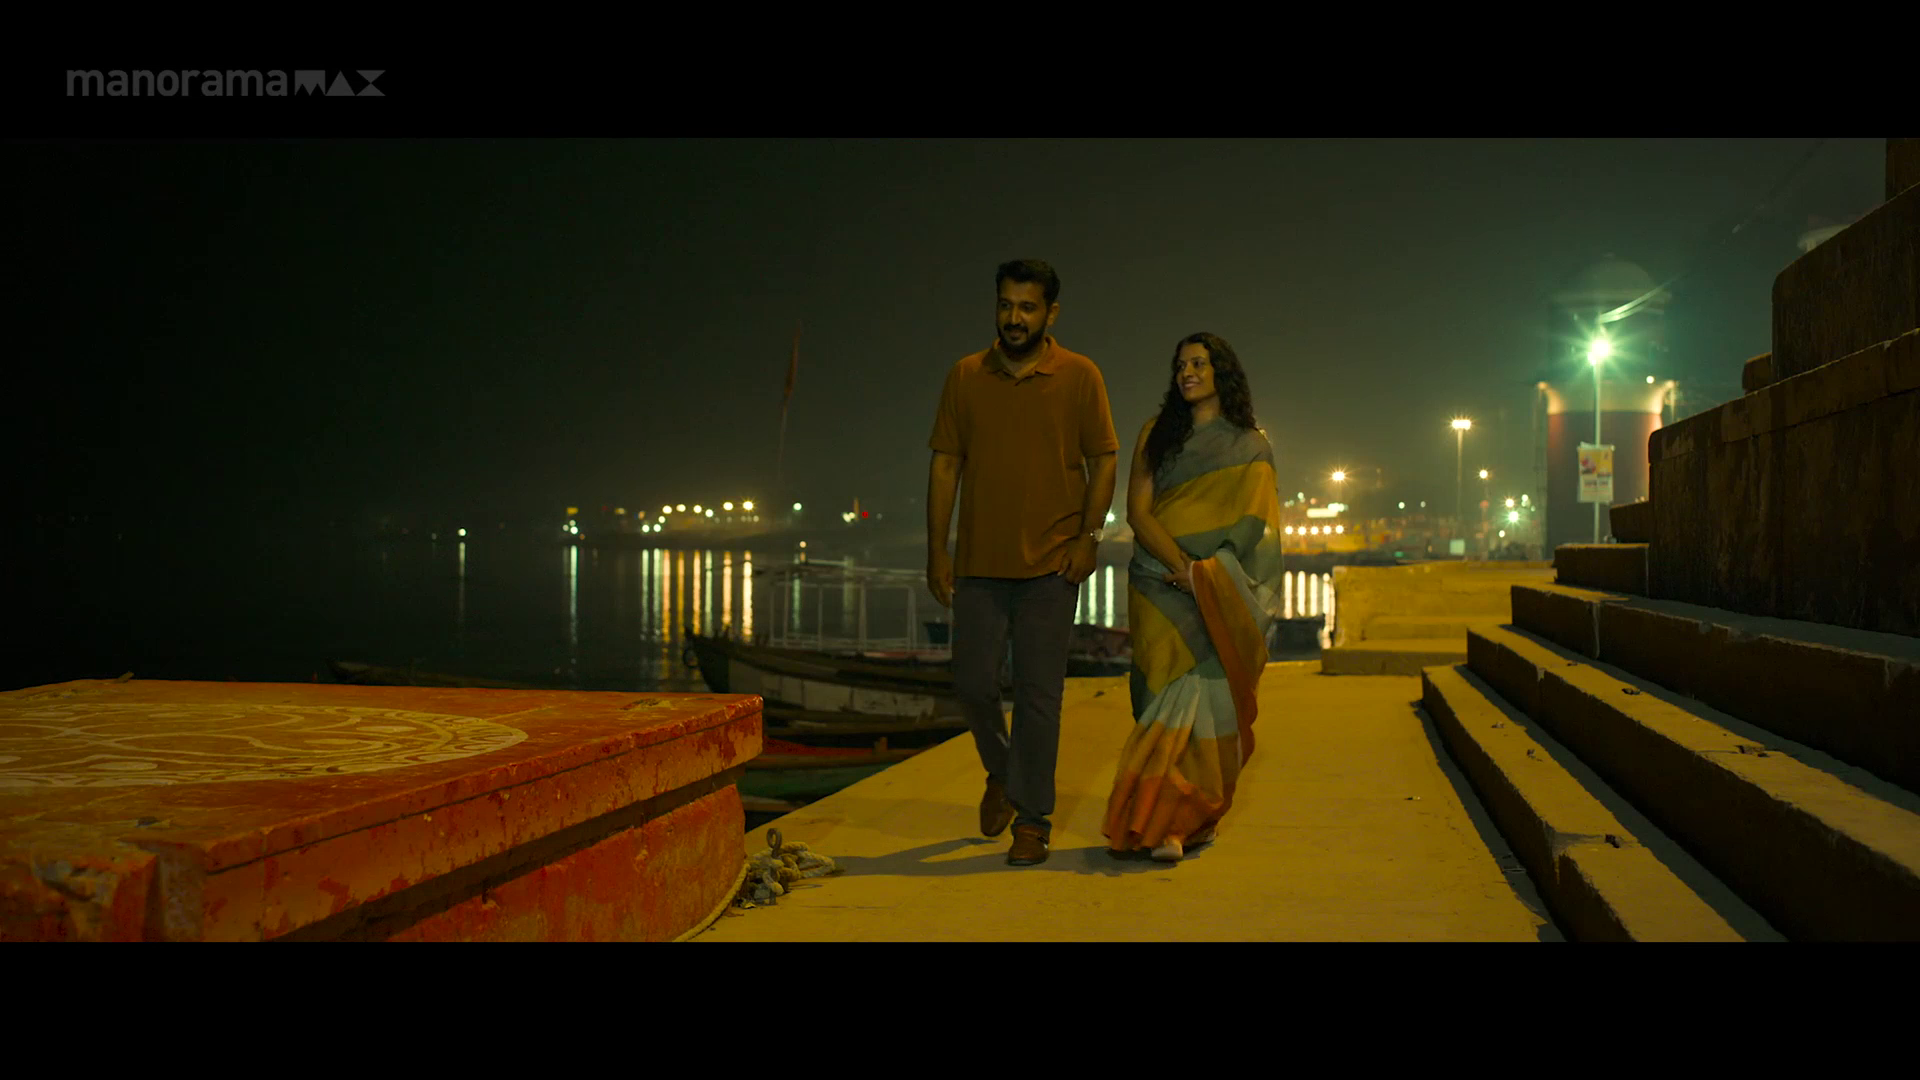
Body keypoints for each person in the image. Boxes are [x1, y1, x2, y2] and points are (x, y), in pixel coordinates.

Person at [926, 259, 1120, 867]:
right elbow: (945, 465)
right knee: (973, 684)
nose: (1015, 317)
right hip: (979, 562)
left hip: (1052, 565)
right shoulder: (965, 376)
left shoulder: (1080, 375)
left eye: (1028, 307)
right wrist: (936, 549)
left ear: (1050, 313)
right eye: (1006, 305)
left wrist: (1089, 538)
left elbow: (1104, 459)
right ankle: (1002, 772)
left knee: (1039, 696)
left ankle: (1032, 821)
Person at [1103, 332, 1283, 862]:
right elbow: (1138, 512)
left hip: (1215, 592)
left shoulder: (1250, 446)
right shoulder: (1155, 432)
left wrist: (1207, 578)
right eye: (1181, 364)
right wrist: (1182, 569)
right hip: (1157, 585)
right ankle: (1154, 820)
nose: (1187, 372)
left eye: (1199, 363)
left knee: (1211, 704)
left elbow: (1254, 527)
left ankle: (1185, 824)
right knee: (1159, 699)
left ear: (1222, 372)